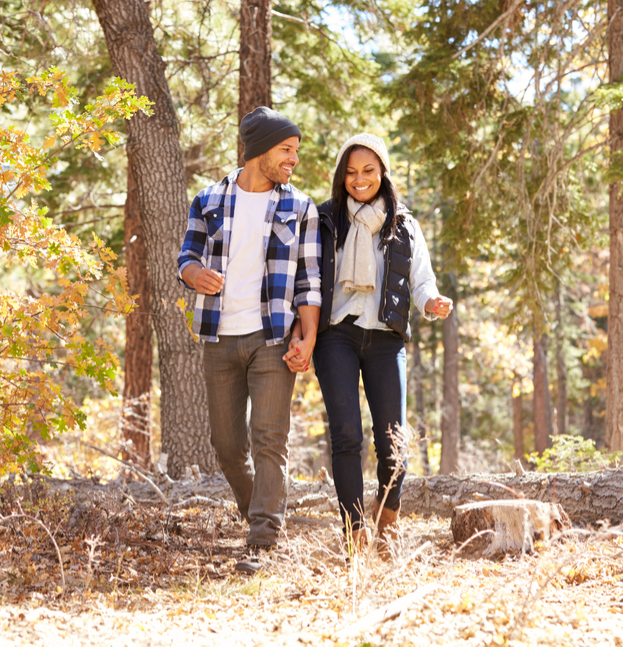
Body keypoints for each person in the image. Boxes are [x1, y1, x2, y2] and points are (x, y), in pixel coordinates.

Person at [284, 133, 452, 554]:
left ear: (383, 173)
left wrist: (432, 300)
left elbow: (421, 279)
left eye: (369, 171)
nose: (359, 180)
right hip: (335, 336)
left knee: (394, 440)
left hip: (385, 338)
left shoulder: (404, 224)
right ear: (342, 176)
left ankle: (388, 514)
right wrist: (300, 334)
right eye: (351, 172)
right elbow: (302, 279)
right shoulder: (324, 220)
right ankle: (355, 530)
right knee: (345, 435)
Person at [177, 106, 321, 574]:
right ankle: (257, 512)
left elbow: (309, 282)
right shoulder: (208, 199)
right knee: (226, 445)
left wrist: (308, 337)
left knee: (269, 439)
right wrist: (194, 273)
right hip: (218, 336)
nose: (293, 159)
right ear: (259, 149)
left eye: (295, 150)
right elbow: (186, 257)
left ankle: (262, 541)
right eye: (286, 149)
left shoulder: (300, 206)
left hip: (273, 337)